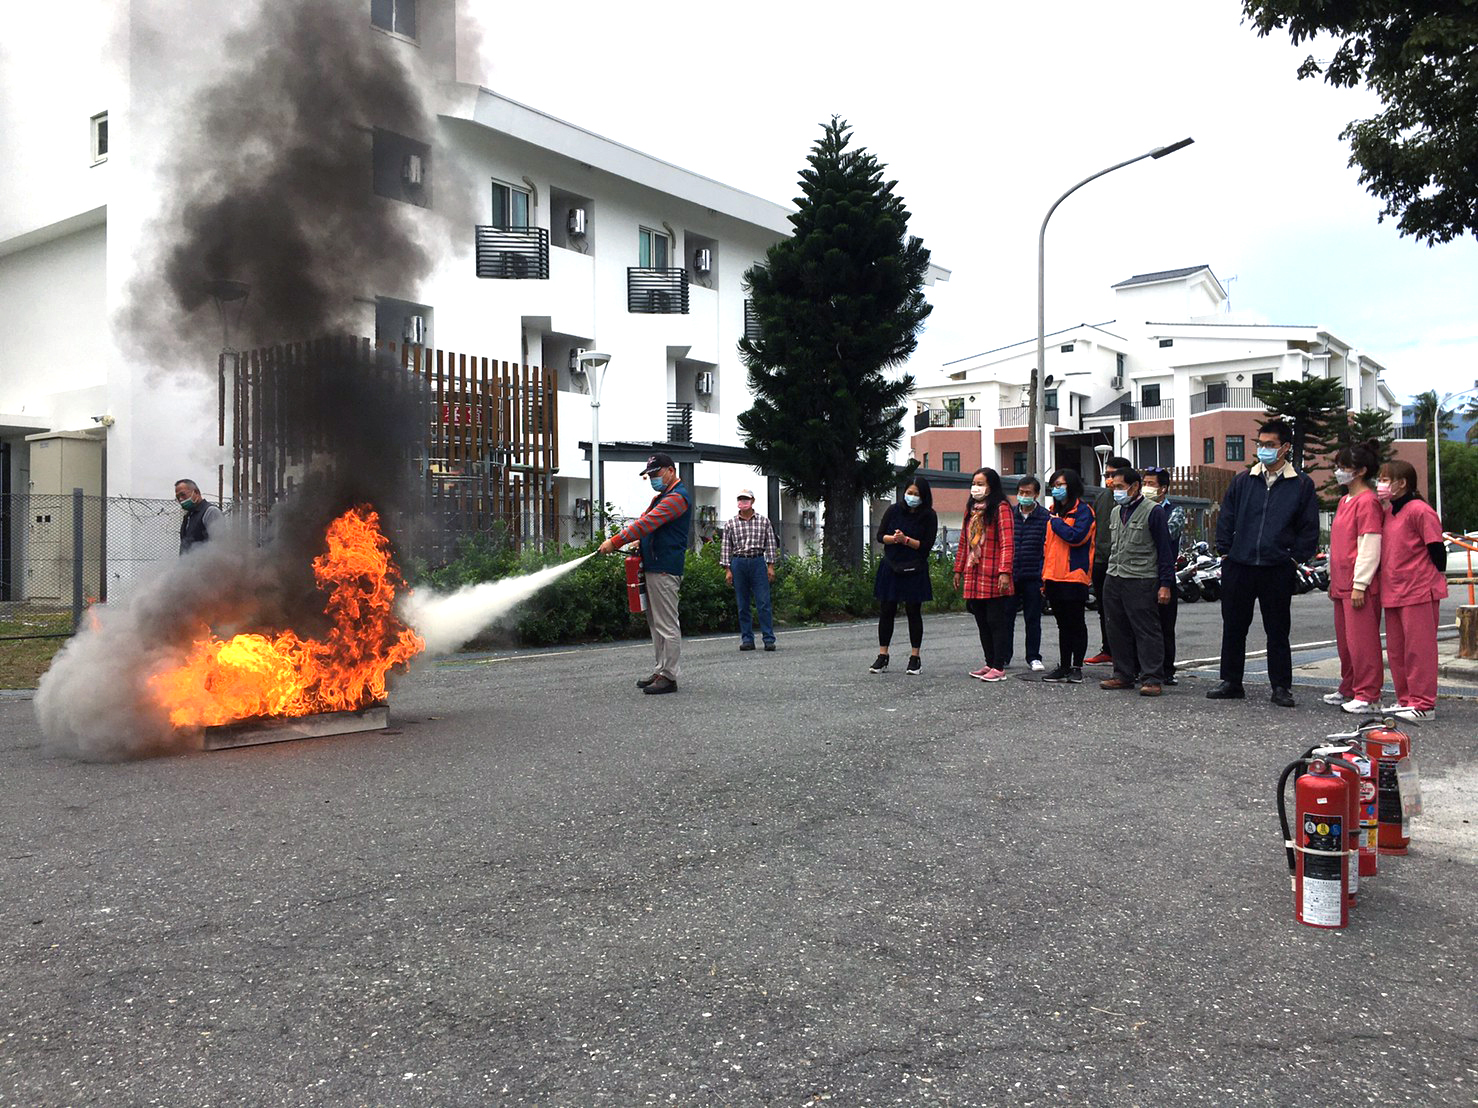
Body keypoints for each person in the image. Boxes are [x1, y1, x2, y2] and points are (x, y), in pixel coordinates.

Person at [1206, 420, 1319, 707]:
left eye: (1270, 445)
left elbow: (1309, 528)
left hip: (1277, 567)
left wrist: (1294, 559)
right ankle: (1231, 681)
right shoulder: (1244, 480)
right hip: (1239, 565)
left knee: (1278, 630)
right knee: (1234, 626)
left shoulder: (1301, 484)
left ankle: (1281, 687)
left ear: (1285, 448)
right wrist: (1225, 552)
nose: (1264, 450)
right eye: (1261, 444)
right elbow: (1227, 516)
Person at [598, 453, 692, 695]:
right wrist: (639, 541)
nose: (653, 479)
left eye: (656, 474)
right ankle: (661, 669)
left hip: (665, 568)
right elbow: (646, 525)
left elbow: (647, 523)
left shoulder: (676, 499)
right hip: (654, 566)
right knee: (656, 623)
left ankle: (669, 676)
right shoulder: (662, 497)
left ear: (671, 471)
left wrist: (616, 541)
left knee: (667, 624)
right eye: (649, 476)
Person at [1376, 459, 1447, 721]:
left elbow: (1437, 550)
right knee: (1396, 649)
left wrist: (1432, 578)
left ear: (1402, 483)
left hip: (1418, 588)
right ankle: (1405, 698)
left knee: (1420, 649)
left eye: (1385, 479)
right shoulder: (1389, 512)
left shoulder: (1420, 510)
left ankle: (1424, 703)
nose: (1380, 484)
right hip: (1394, 589)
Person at [1099, 467, 1174, 696]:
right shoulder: (1115, 512)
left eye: (1121, 487)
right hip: (1115, 576)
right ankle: (1122, 674)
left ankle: (1152, 677)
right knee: (1116, 628)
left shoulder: (1154, 512)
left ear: (1134, 487)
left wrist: (1165, 584)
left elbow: (1164, 550)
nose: (1117, 491)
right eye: (1114, 487)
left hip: (1141, 579)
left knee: (1146, 629)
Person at [1324, 440, 1385, 714]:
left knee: (1363, 642)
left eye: (1344, 467)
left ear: (1359, 471)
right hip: (1341, 581)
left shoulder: (1368, 502)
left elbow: (1369, 544)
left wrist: (1360, 583)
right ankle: (1349, 686)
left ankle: (1368, 693)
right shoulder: (1344, 500)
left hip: (1358, 584)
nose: (1339, 472)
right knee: (1346, 641)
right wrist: (1331, 578)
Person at [870, 476, 938, 675]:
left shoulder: (929, 515)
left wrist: (906, 540)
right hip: (891, 565)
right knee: (886, 609)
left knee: (913, 611)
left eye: (917, 494)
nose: (912, 497)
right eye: (910, 493)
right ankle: (883, 655)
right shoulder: (893, 510)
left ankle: (915, 657)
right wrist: (894, 539)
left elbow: (926, 545)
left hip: (915, 567)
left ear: (924, 496)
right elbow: (880, 536)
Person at [952, 467, 1015, 681]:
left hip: (993, 572)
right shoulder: (972, 509)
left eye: (981, 484)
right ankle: (989, 663)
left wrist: (1004, 572)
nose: (976, 488)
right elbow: (964, 542)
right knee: (981, 620)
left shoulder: (1001, 508)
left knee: (995, 620)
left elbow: (1007, 543)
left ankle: (999, 666)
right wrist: (958, 569)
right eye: (974, 483)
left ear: (991, 486)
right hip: (974, 572)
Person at [1040, 468, 1095, 684]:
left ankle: (1076, 667)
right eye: (1054, 485)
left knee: (1076, 623)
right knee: (1062, 624)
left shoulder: (1084, 512)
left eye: (1061, 485)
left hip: (1074, 576)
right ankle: (1063, 665)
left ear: (1071, 486)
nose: (1057, 489)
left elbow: (1076, 537)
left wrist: (1056, 522)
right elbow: (1047, 546)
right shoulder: (1053, 512)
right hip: (1054, 576)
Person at [1085, 455, 1131, 667]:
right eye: (1107, 475)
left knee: (1127, 610)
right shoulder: (1102, 497)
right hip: (1102, 560)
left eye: (1113, 475)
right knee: (1105, 608)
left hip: (1126, 563)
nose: (1109, 479)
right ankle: (1108, 649)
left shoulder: (1133, 499)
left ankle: (1129, 654)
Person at [1141, 467, 1185, 684]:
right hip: (1140, 576)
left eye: (1151, 484)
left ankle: (1167, 670)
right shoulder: (1137, 508)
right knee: (1142, 626)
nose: (1146, 488)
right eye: (1144, 483)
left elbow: (1165, 537)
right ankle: (1144, 668)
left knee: (1165, 626)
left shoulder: (1175, 511)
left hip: (1164, 575)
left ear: (1163, 488)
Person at [720, 488, 778, 652]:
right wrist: (727, 569)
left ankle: (768, 639)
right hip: (738, 562)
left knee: (763, 602)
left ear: (752, 501)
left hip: (758, 561)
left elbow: (771, 544)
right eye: (740, 499)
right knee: (742, 603)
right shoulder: (731, 523)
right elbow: (726, 547)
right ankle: (747, 639)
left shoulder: (763, 521)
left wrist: (771, 565)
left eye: (746, 499)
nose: (743, 502)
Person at [1003, 475, 1049, 673]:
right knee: (1006, 618)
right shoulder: (1009, 516)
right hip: (1011, 574)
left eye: (1027, 493)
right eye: (1020, 493)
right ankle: (1003, 656)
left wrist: (1042, 574)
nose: (1023, 496)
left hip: (1033, 575)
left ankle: (1033, 657)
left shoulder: (1045, 517)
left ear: (1036, 494)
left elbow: (1048, 549)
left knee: (1033, 619)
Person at [175, 478, 225, 555]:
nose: (181, 499)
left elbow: (219, 544)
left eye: (183, 495)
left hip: (205, 565)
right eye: (178, 497)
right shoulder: (189, 516)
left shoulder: (210, 512)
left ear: (196, 492)